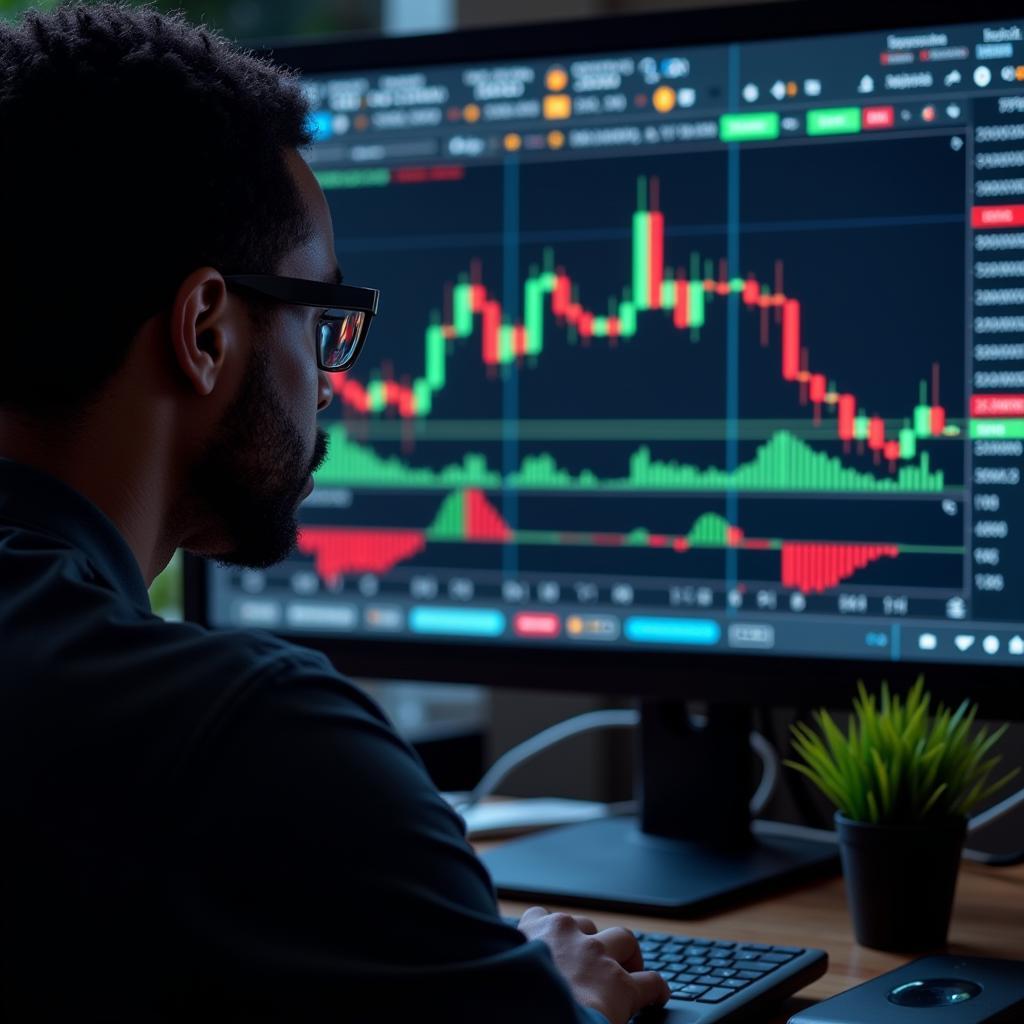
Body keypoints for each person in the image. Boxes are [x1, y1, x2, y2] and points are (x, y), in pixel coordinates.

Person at [0, 5, 670, 1021]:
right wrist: (557, 999)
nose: (332, 380)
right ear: (206, 331)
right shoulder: (249, 739)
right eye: (322, 317)